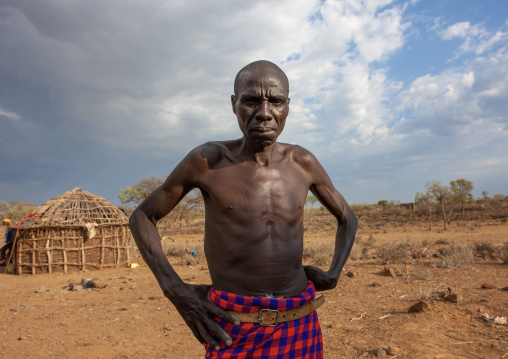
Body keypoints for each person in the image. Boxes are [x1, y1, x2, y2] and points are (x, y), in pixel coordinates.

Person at [129, 60, 357, 358]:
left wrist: (334, 273)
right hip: (234, 325)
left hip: (299, 318)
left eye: (276, 101)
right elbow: (142, 216)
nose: (265, 113)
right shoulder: (207, 160)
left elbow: (347, 218)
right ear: (234, 104)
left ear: (287, 106)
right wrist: (175, 289)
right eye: (251, 101)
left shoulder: (303, 162)